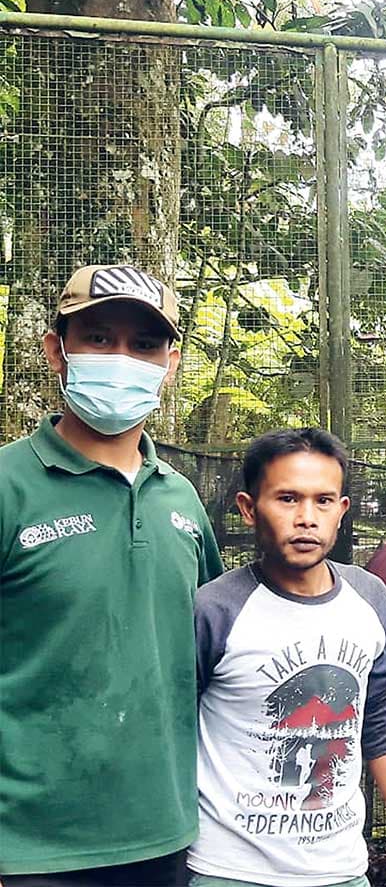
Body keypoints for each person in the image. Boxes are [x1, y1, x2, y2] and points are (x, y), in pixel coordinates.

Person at [0, 264, 224, 885]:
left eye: (144, 344)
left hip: (166, 833)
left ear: (170, 364)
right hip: (28, 848)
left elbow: (210, 654)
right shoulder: (7, 486)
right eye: (98, 338)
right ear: (57, 350)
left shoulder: (181, 500)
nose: (121, 359)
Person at [188, 428, 386, 887]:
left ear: (342, 510)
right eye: (287, 499)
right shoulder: (214, 609)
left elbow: (384, 729)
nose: (306, 518)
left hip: (340, 871)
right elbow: (168, 733)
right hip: (228, 870)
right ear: (249, 509)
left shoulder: (369, 598)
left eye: (323, 501)